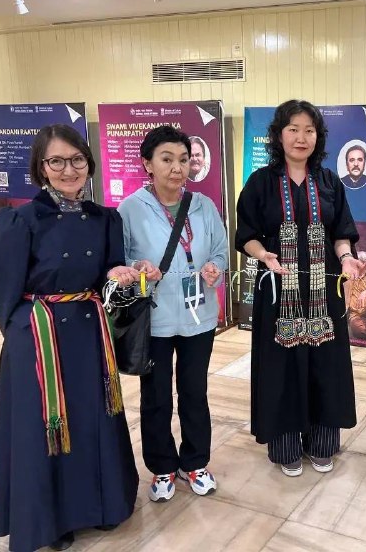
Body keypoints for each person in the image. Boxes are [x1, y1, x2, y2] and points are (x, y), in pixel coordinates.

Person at [0, 125, 139, 551]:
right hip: (39, 339)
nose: (68, 170)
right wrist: (24, 337)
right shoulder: (19, 220)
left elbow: (108, 271)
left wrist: (118, 274)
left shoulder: (104, 218)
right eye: (57, 161)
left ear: (89, 164)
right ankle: (53, 521)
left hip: (89, 334)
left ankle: (102, 507)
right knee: (47, 427)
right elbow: (3, 291)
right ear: (41, 167)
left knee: (93, 417)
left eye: (77, 160)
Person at [235, 99, 362, 477]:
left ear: (318, 137)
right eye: (293, 129)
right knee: (281, 368)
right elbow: (246, 235)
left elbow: (342, 234)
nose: (301, 137)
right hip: (278, 291)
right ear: (278, 135)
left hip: (324, 292)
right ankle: (286, 444)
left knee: (326, 364)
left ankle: (322, 442)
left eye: (309, 130)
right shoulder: (260, 182)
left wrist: (347, 259)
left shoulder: (329, 182)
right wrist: (263, 255)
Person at [118, 125, 228, 503]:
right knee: (157, 396)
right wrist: (138, 267)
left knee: (195, 392)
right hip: (155, 318)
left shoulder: (204, 205)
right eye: (167, 159)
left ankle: (195, 462)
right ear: (148, 164)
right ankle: (162, 466)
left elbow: (220, 250)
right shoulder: (130, 209)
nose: (177, 168)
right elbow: (120, 259)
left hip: (199, 315)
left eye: (184, 159)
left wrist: (215, 267)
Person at [344, 250, 366, 343]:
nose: (357, 268)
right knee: (359, 328)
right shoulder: (349, 274)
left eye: (358, 266)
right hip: (354, 313)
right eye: (355, 265)